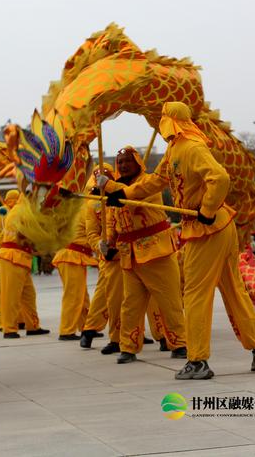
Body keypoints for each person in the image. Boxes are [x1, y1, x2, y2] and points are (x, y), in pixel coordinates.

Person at [100, 104, 255, 379]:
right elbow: (155, 181)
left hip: (206, 229)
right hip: (217, 226)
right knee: (234, 291)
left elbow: (220, 177)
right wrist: (123, 194)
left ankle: (198, 360)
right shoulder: (175, 149)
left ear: (171, 121)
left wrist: (207, 209)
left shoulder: (191, 147)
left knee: (194, 294)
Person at [98, 146, 187, 364]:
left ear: (138, 163)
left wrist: (109, 185)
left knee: (169, 301)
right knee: (130, 306)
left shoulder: (148, 182)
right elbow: (115, 221)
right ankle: (128, 347)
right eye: (120, 162)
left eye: (128, 161)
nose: (123, 165)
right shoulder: (115, 191)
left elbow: (134, 194)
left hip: (156, 252)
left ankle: (180, 343)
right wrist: (108, 242)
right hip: (129, 256)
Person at [0, 190, 50, 339]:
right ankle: (9, 329)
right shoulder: (22, 211)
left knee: (28, 295)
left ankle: (33, 326)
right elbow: (33, 234)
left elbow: (2, 237)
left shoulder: (20, 210)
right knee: (11, 296)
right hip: (13, 257)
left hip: (19, 258)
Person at [81, 164, 121, 352]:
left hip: (135, 251)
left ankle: (161, 336)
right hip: (109, 256)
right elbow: (91, 233)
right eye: (98, 176)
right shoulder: (92, 204)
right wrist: (100, 246)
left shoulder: (125, 193)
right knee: (106, 294)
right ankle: (90, 331)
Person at [52, 195, 97, 340]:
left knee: (82, 295)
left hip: (71, 255)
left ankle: (86, 327)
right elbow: (94, 232)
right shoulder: (86, 209)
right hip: (72, 256)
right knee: (73, 295)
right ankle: (66, 331)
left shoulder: (74, 209)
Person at [0, 190, 20, 327]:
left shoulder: (4, 211)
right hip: (1, 254)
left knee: (0, 286)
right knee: (4, 287)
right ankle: (2, 314)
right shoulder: (6, 213)